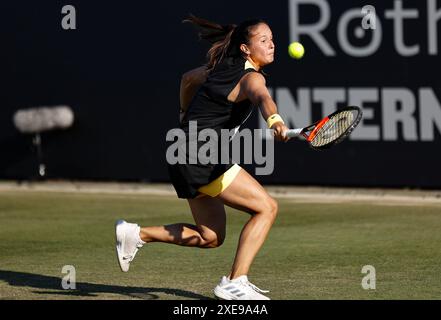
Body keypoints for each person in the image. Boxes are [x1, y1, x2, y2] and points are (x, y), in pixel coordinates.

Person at [115, 15, 290, 300]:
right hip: (201, 155)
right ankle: (235, 281)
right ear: (245, 49)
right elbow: (262, 98)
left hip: (182, 151)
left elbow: (187, 79)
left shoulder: (219, 68)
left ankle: (136, 234)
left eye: (272, 40)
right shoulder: (251, 77)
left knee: (211, 237)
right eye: (263, 40)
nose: (271, 45)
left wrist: (184, 114)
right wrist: (275, 121)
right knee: (266, 208)